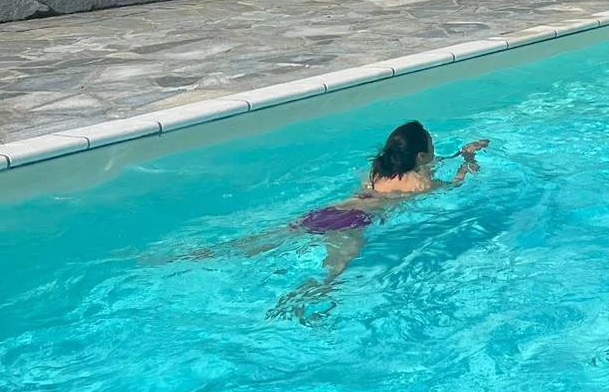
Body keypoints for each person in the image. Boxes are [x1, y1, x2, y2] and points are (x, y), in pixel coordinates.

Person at [184, 121, 489, 319]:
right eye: (432, 148)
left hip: (328, 211)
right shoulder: (418, 185)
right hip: (354, 221)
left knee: (267, 239)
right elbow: (453, 185)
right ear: (421, 157)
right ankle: (306, 295)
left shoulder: (378, 170)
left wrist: (458, 154)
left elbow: (429, 165)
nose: (435, 152)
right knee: (336, 270)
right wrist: (468, 163)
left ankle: (205, 253)